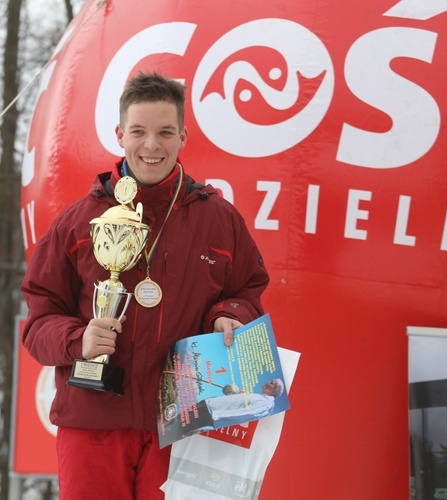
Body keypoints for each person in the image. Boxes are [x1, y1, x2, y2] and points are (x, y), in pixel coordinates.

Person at [21, 72, 269, 499]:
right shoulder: (78, 222)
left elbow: (248, 290)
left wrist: (230, 316)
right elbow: (38, 321)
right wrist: (79, 339)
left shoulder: (220, 221)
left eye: (165, 132)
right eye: (138, 131)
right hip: (93, 421)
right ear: (120, 134)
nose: (151, 145)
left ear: (183, 136)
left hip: (183, 421)